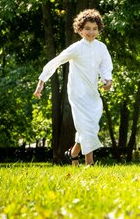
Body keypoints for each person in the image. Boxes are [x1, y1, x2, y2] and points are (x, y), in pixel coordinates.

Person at [33, 9, 113, 166]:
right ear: (80, 30)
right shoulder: (76, 48)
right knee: (85, 125)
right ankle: (89, 162)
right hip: (77, 93)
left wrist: (107, 80)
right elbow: (57, 61)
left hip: (92, 93)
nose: (91, 32)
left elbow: (106, 65)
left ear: (99, 29)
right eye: (87, 28)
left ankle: (74, 152)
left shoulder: (101, 47)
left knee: (91, 126)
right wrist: (41, 81)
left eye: (94, 28)